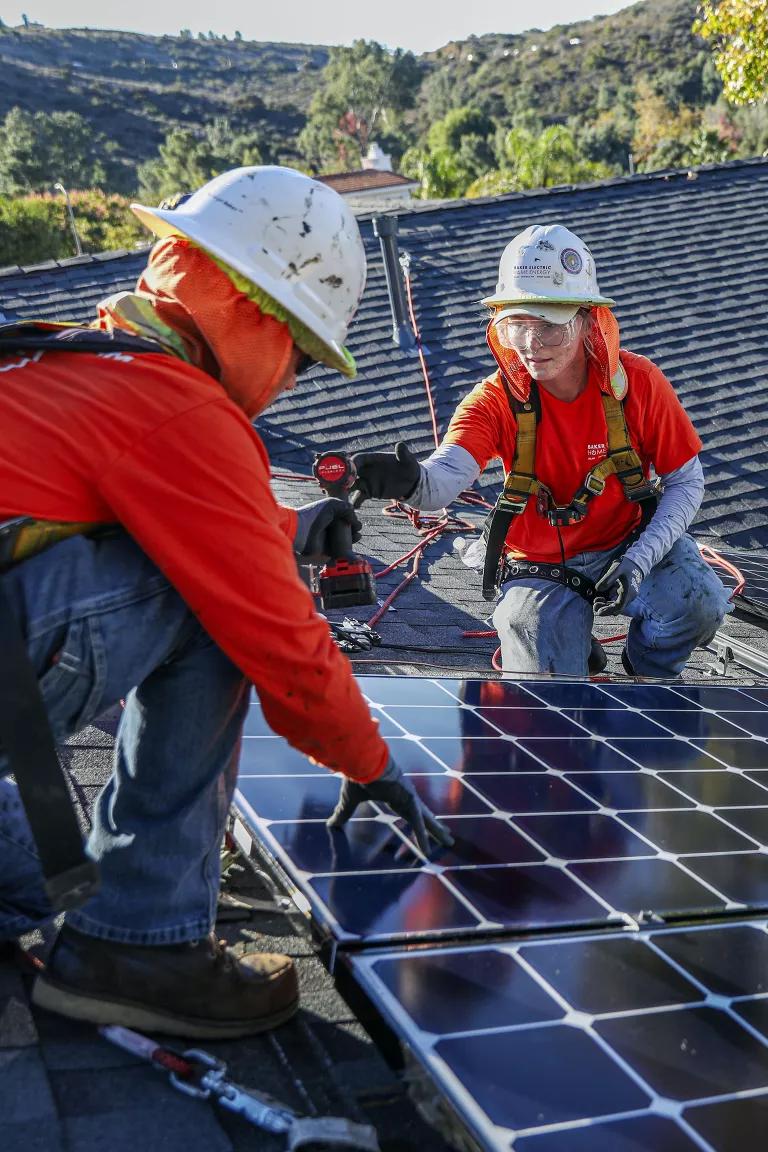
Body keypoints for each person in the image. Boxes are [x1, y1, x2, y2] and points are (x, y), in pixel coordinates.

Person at [0, 165, 451, 1039]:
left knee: (48, 878)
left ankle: (104, 915)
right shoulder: (180, 410)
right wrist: (374, 767)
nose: (290, 382)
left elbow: (148, 499)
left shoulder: (67, 359)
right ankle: (142, 945)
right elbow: (278, 635)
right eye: (302, 353)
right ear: (253, 310)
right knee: (212, 598)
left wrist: (278, 525)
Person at [351, 223, 731, 679]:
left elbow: (686, 481)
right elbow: (443, 480)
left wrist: (639, 558)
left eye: (550, 325)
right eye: (517, 325)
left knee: (701, 602)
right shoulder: (494, 400)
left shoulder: (636, 384)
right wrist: (411, 483)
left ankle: (646, 671)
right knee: (544, 690)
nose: (533, 344)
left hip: (629, 542)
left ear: (588, 321)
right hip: (542, 564)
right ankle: (570, 643)